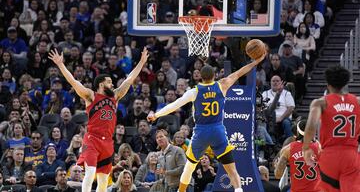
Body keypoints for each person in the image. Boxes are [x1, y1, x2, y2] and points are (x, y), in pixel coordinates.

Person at [148, 54, 265, 192]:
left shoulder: (194, 91)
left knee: (189, 166)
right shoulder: (222, 85)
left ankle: (181, 191)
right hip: (218, 130)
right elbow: (240, 72)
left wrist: (156, 115)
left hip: (201, 132)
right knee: (232, 170)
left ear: (200, 77)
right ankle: (238, 190)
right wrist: (255, 62)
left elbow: (174, 105)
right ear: (214, 76)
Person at [48, 47, 149, 192]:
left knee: (103, 180)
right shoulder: (91, 96)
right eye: (109, 82)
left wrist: (141, 62)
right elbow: (73, 82)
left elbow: (130, 79)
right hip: (92, 139)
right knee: (89, 173)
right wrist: (60, 64)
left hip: (107, 141)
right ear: (101, 84)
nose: (112, 84)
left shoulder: (115, 96)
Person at [303, 66, 360, 192]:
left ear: (327, 84)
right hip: (351, 154)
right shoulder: (357, 101)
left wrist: (306, 148)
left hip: (329, 154)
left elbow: (311, 125)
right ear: (346, 83)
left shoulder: (320, 103)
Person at [274, 120, 321, 192]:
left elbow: (278, 175)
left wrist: (277, 165)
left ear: (298, 132)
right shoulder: (319, 148)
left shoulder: (288, 149)